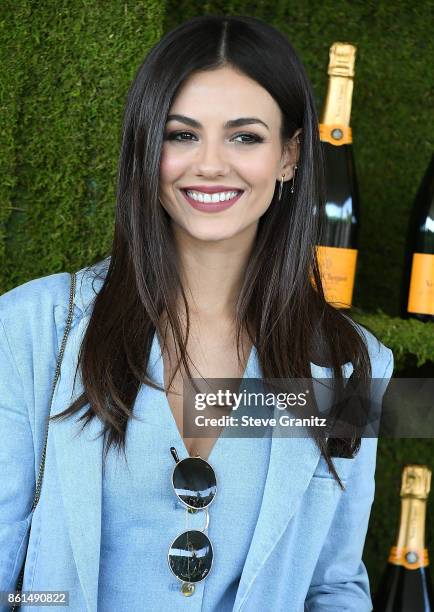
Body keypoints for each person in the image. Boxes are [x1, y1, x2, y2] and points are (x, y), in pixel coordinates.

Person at [0, 14, 393, 612]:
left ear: (289, 156)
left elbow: (331, 587)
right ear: (145, 148)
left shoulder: (348, 364)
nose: (210, 164)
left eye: (245, 137)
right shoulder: (34, 325)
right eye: (181, 135)